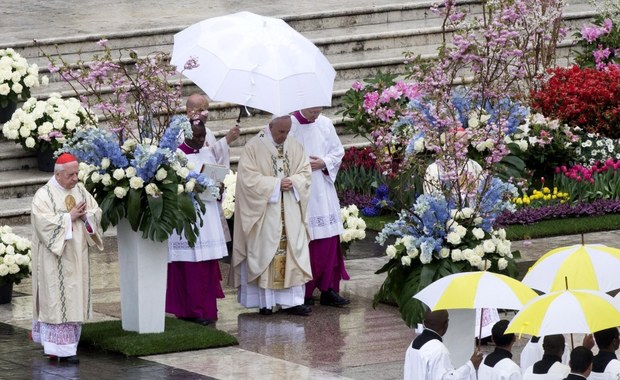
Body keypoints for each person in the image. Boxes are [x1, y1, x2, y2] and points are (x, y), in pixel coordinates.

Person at [229, 115, 313, 316]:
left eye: (287, 131)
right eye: (280, 132)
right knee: (265, 251)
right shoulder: (253, 147)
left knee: (292, 252)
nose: (284, 136)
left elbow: (306, 173)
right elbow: (247, 180)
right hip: (265, 213)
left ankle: (292, 302)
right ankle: (265, 302)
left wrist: (293, 182)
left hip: (290, 212)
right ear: (270, 126)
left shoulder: (294, 145)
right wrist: (275, 185)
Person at [30, 153, 104, 364]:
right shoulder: (43, 195)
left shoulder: (80, 190)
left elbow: (95, 211)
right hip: (55, 259)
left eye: (77, 173)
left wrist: (86, 217)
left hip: (77, 255)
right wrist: (68, 217)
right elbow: (42, 223)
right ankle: (58, 350)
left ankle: (69, 347)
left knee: (74, 298)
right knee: (56, 300)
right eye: (71, 175)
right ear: (58, 174)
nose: (75, 178)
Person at [166, 120, 229, 325]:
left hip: (208, 214)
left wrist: (218, 189)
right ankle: (191, 310)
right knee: (190, 266)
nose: (202, 141)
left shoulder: (207, 152)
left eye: (203, 136)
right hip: (188, 215)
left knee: (206, 264)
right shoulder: (177, 157)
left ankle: (208, 309)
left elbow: (215, 178)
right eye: (197, 136)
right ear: (186, 135)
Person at [289, 107, 350, 307]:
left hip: (323, 190)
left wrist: (324, 162)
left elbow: (337, 151)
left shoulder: (325, 123)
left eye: (319, 109)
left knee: (329, 239)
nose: (316, 114)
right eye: (313, 110)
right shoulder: (289, 125)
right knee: (307, 241)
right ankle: (304, 292)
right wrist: (302, 165)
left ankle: (328, 288)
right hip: (300, 190)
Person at [185, 93, 240, 252]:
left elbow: (214, 159)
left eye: (207, 109)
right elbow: (195, 157)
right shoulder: (182, 132)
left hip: (209, 194)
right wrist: (226, 140)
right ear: (189, 112)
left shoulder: (208, 132)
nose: (206, 113)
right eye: (201, 109)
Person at [404, 309, 482, 379]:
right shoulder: (438, 349)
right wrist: (471, 364)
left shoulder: (413, 343)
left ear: (424, 323)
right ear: (446, 324)